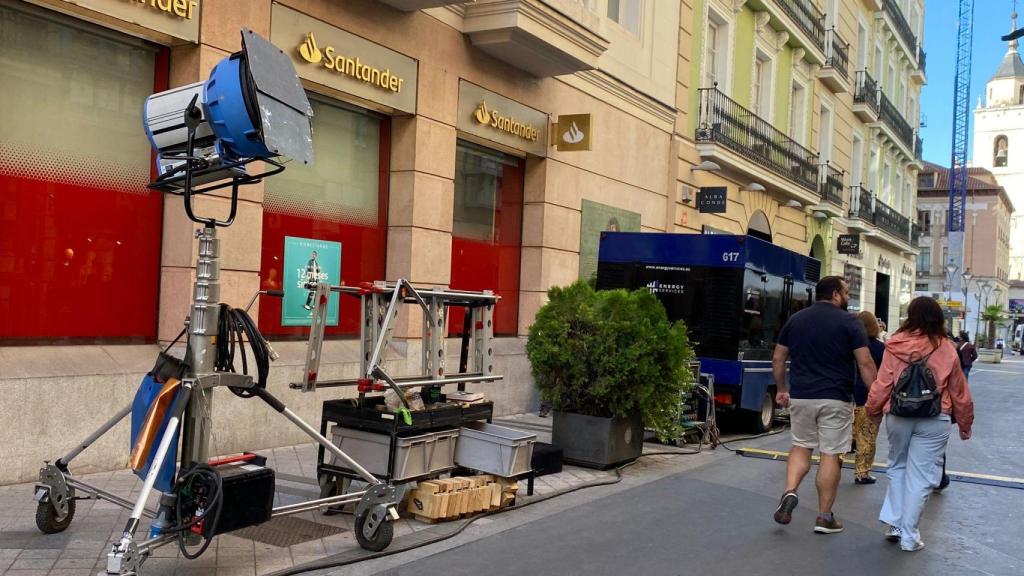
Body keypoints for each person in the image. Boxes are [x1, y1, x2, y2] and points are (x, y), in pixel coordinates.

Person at [772, 276, 879, 534]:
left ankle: (790, 491)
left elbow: (778, 356)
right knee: (830, 454)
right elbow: (865, 363)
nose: (847, 296)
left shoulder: (796, 319)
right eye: (845, 292)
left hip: (802, 396)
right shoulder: (850, 322)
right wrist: (876, 396)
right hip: (835, 398)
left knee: (801, 446)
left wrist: (782, 389)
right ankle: (824, 516)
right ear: (834, 295)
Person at [866, 297, 974, 552]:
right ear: (938, 318)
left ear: (910, 316)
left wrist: (873, 410)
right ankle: (909, 535)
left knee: (897, 466)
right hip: (935, 418)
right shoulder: (947, 349)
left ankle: (894, 523)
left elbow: (883, 384)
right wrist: (965, 425)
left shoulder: (894, 345)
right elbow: (960, 392)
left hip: (898, 415)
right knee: (921, 476)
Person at [853, 311, 886, 485]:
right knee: (867, 436)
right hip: (869, 397)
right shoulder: (880, 348)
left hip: (847, 395)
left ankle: (835, 463)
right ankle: (862, 473)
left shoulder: (848, 345)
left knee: (843, 437)